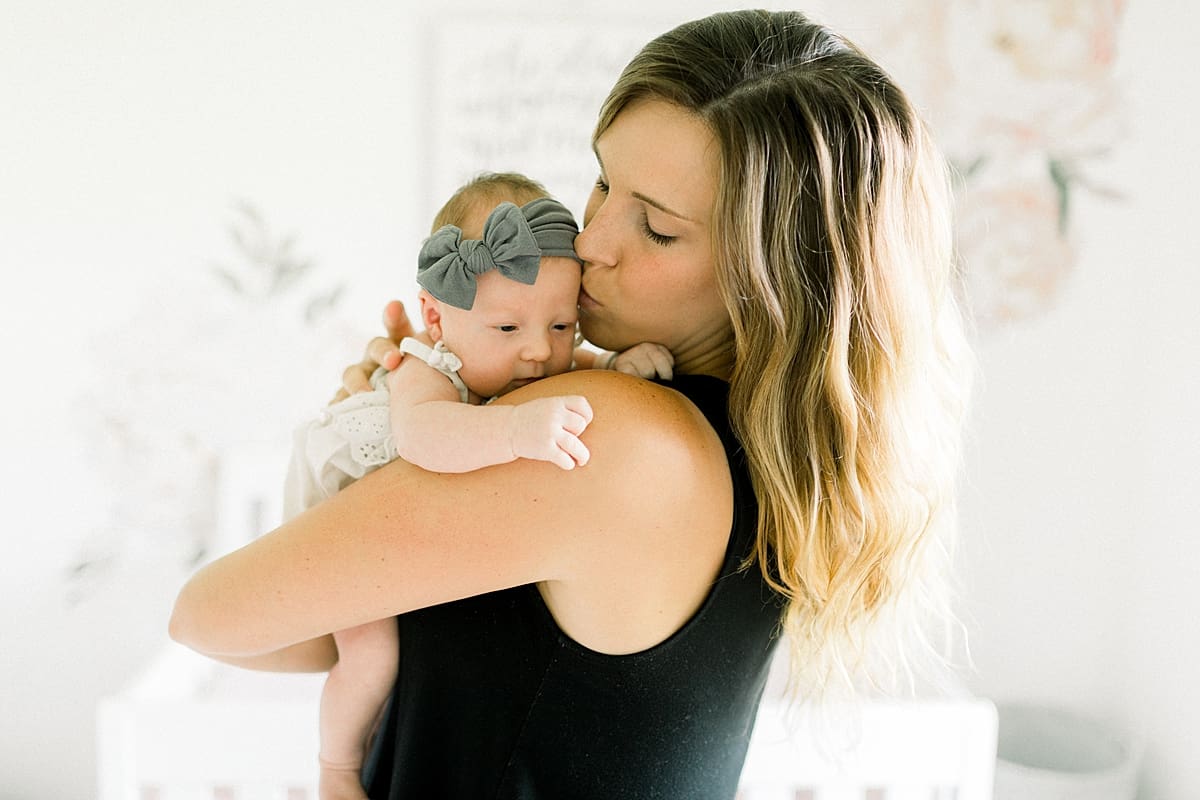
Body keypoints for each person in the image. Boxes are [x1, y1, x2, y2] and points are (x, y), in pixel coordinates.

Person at [170, 9, 972, 799]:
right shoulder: (745, 444)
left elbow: (211, 617)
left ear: (772, 281)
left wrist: (386, 439)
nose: (589, 243)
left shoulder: (608, 437)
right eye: (602, 182)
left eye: (656, 229)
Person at [281, 172, 674, 800]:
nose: (538, 352)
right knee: (373, 657)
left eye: (561, 326)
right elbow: (425, 438)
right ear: (436, 317)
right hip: (338, 517)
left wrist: (619, 368)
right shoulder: (424, 368)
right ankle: (335, 769)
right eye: (508, 329)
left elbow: (578, 366)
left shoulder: (530, 362)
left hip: (406, 538)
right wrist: (515, 430)